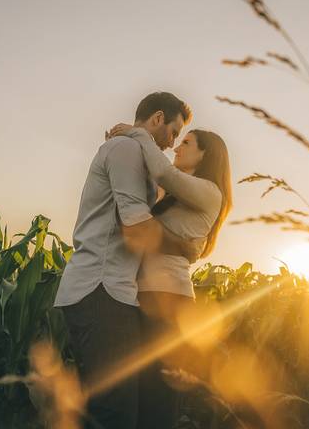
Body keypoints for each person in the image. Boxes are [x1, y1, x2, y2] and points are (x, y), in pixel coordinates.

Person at [54, 92, 202, 429]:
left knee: (125, 409)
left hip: (115, 292)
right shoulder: (125, 149)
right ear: (157, 118)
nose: (172, 142)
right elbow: (135, 228)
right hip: (99, 288)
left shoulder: (134, 152)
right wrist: (185, 248)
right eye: (173, 132)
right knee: (114, 412)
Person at [106, 122, 232, 429]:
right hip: (143, 295)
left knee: (158, 397)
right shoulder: (174, 195)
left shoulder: (209, 192)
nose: (177, 147)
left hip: (170, 301)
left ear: (206, 155)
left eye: (186, 142)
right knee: (139, 391)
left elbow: (162, 173)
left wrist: (138, 133)